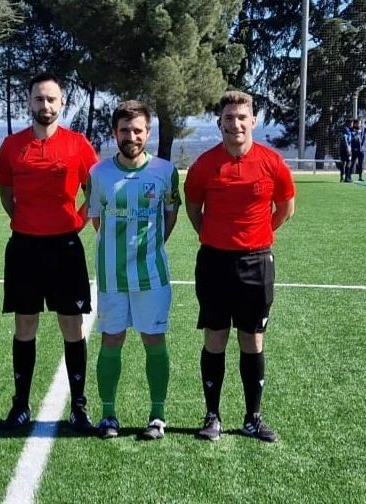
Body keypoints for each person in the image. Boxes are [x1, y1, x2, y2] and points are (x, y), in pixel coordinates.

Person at [184, 90, 295, 443]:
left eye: (242, 117)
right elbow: (193, 208)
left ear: (253, 121)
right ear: (220, 123)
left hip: (256, 262)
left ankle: (252, 418)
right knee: (215, 337)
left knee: (252, 338)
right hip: (214, 262)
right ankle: (212, 416)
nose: (236, 124)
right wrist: (212, 235)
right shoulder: (204, 165)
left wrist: (260, 235)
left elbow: (286, 208)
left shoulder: (272, 162)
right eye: (229, 118)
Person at [0, 72, 98, 431]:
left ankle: (79, 407)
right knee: (25, 324)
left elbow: (95, 189)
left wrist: (77, 221)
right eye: (39, 98)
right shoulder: (12, 145)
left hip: (65, 247)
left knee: (72, 325)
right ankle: (20, 404)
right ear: (29, 102)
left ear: (62, 103)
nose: (45, 105)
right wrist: (24, 219)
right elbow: (5, 191)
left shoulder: (78, 144)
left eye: (51, 99)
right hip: (24, 247)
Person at [87, 100, 180, 440]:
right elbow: (96, 219)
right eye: (125, 130)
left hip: (151, 274)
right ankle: (108, 415)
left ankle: (157, 416)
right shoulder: (98, 173)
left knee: (154, 339)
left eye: (138, 130)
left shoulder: (165, 171)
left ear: (148, 132)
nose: (132, 136)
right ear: (115, 132)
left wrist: (150, 246)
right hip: (112, 275)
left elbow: (170, 214)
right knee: (111, 339)